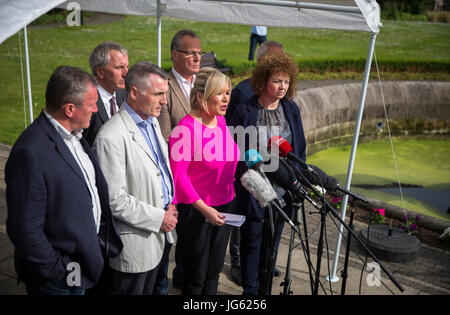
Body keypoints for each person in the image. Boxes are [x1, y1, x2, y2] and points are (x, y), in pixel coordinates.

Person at [5, 65, 123, 295]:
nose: (95, 109)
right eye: (91, 105)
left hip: (83, 262)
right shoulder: (30, 152)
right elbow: (24, 229)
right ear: (70, 109)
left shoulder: (75, 135)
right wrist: (59, 270)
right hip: (60, 277)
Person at [93, 61, 178, 295]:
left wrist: (168, 203)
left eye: (166, 94)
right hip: (135, 246)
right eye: (158, 94)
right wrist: (159, 217)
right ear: (133, 93)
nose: (165, 101)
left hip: (160, 236)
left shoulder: (151, 121)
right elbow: (114, 200)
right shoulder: (111, 137)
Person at [227, 53, 306, 295]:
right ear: (263, 80)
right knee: (252, 241)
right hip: (253, 187)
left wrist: (297, 183)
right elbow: (232, 147)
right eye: (277, 81)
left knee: (272, 243)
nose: (282, 87)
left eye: (286, 81)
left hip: (282, 190)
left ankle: (265, 289)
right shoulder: (245, 109)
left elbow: (300, 150)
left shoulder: (291, 109)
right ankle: (250, 291)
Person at [168, 67, 240, 295]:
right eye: (220, 93)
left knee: (214, 272)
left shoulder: (220, 122)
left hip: (225, 205)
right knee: (196, 276)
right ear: (200, 96)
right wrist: (205, 210)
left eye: (228, 92)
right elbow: (179, 178)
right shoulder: (184, 130)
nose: (226, 98)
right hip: (197, 212)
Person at [226, 40, 284, 286]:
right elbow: (232, 131)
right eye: (273, 61)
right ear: (260, 63)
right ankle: (238, 262)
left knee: (267, 224)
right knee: (246, 221)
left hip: (273, 169)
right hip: (247, 168)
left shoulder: (282, 96)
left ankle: (264, 263)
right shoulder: (242, 92)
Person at [158, 29, 203, 142]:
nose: (197, 58)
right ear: (175, 55)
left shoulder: (205, 85)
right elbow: (165, 138)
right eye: (191, 53)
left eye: (199, 53)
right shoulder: (163, 88)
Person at [83, 41, 129, 146]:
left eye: (127, 67)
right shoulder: (85, 102)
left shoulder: (126, 95)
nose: (126, 73)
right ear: (100, 72)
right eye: (119, 67)